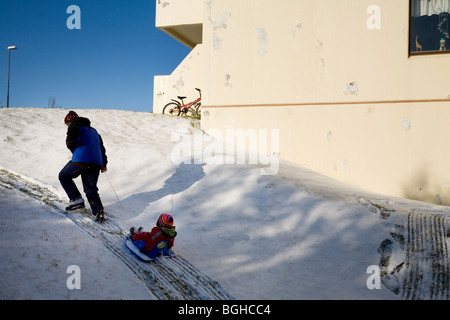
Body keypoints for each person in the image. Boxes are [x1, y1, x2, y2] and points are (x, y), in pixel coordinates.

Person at [58, 111, 108, 222]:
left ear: (69, 121)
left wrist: (75, 147)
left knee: (63, 176)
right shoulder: (94, 131)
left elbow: (70, 143)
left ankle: (76, 200)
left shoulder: (74, 126)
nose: (67, 126)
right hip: (96, 161)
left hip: (81, 159)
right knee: (90, 188)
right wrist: (104, 163)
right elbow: (102, 148)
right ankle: (98, 212)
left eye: (67, 124)